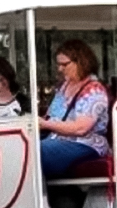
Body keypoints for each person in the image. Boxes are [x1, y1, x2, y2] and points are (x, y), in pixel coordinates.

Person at [39, 39, 109, 179]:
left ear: (81, 62)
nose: (60, 69)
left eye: (64, 64)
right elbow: (52, 115)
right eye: (58, 64)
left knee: (37, 151)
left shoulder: (93, 90)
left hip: (85, 143)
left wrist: (45, 124)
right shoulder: (64, 86)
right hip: (57, 139)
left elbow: (81, 128)